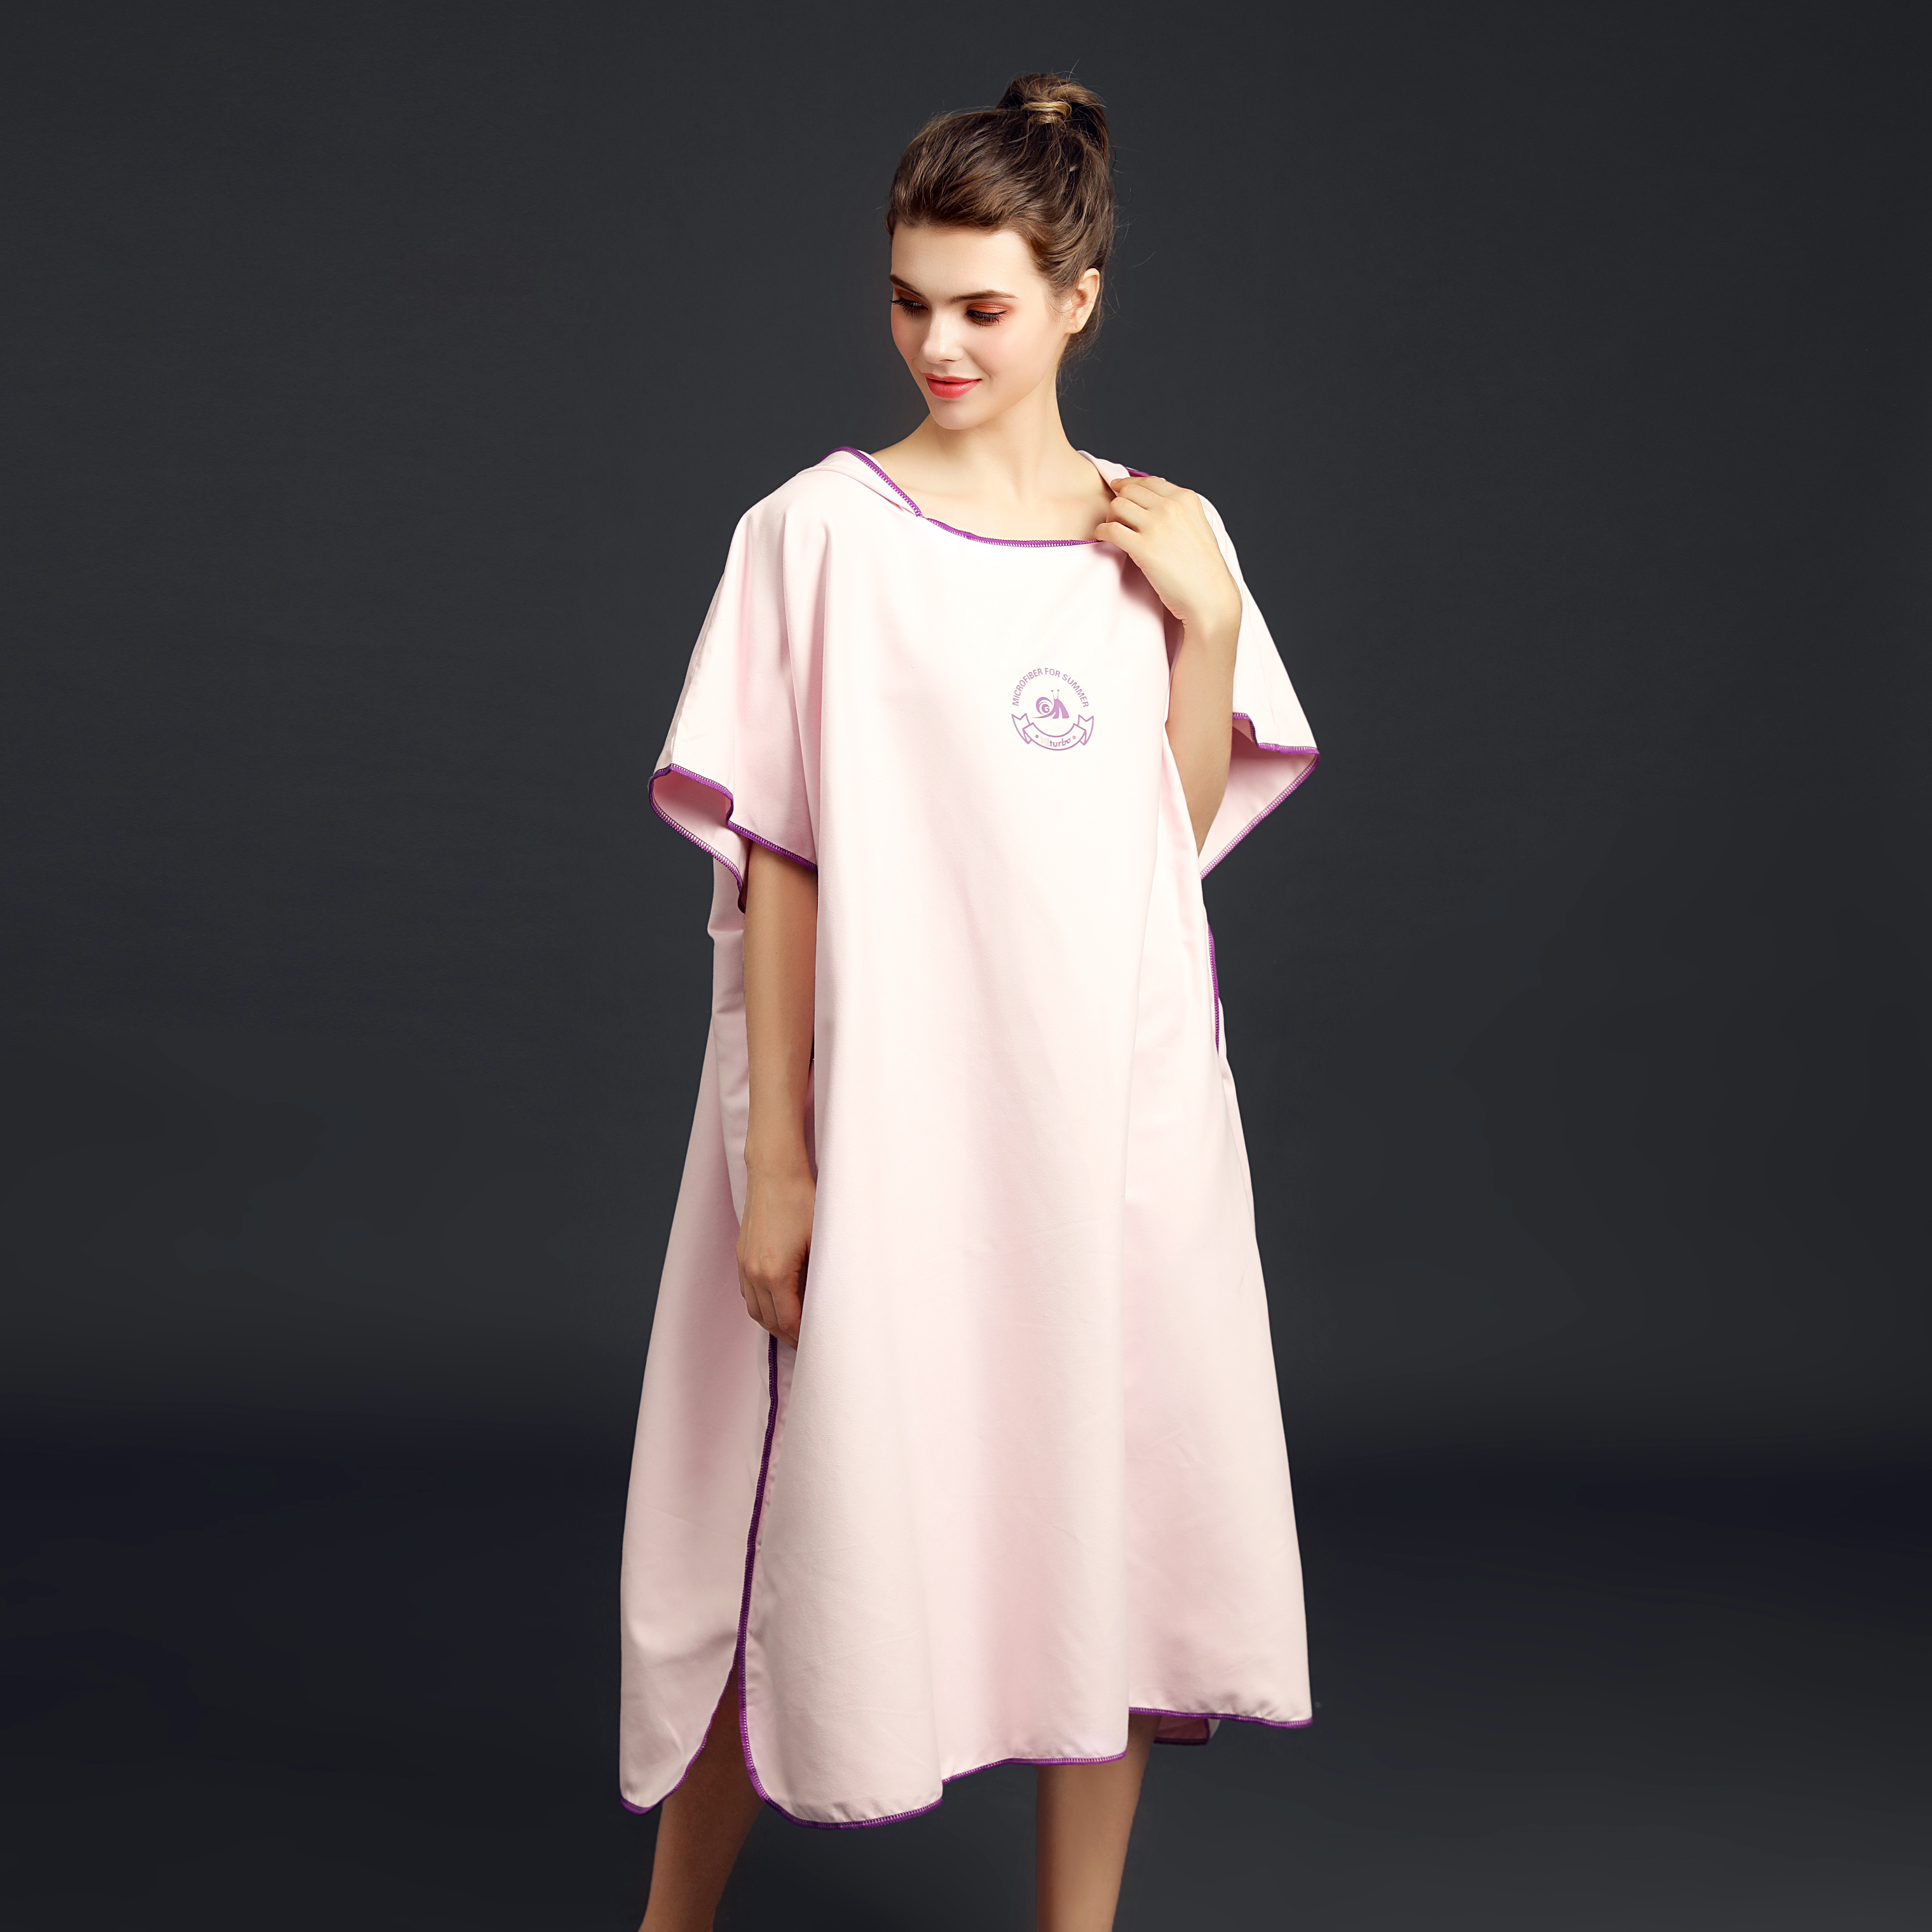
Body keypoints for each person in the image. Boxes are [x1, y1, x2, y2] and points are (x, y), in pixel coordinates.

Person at [620, 72, 1319, 1932]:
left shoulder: (1167, 533)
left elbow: (1163, 847)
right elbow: (781, 857)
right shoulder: (816, 535)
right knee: (792, 1514)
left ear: (1079, 299)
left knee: (1111, 1516)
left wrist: (1209, 627)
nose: (940, 345)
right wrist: (782, 1163)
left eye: (984, 308)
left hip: (1111, 1126)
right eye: (911, 303)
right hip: (894, 1120)